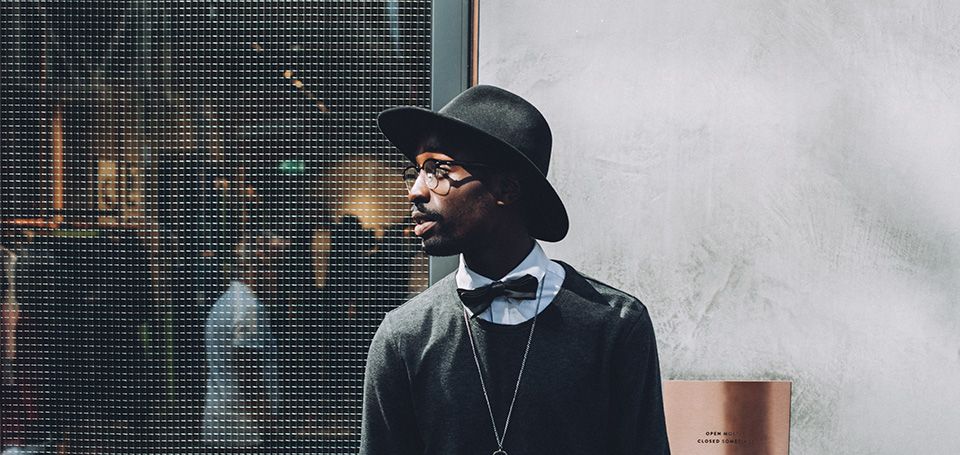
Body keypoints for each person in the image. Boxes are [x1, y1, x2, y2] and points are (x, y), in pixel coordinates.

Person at [360, 85, 670, 454]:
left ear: (506, 188)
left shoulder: (614, 323)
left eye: (436, 170)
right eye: (415, 171)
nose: (415, 191)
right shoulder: (404, 335)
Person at [203, 232, 286, 451]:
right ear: (255, 270)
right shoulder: (248, 309)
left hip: (223, 423)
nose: (276, 278)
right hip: (244, 431)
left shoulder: (228, 300)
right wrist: (270, 427)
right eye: (272, 269)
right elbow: (248, 373)